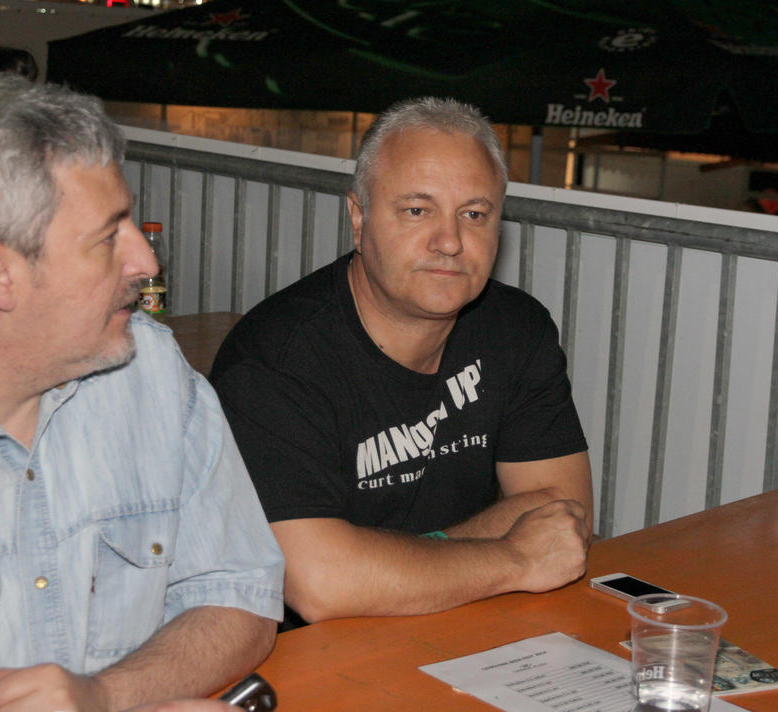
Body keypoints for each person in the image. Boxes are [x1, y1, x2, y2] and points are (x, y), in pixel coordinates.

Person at [0, 76, 285, 711]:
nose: (147, 263)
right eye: (109, 237)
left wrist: (106, 696)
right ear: (0, 274)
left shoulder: (148, 370)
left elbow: (239, 596)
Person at [211, 97, 592, 624]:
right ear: (358, 217)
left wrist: (394, 567)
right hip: (316, 653)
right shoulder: (274, 361)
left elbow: (563, 517)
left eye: (474, 214)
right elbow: (320, 585)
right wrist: (512, 557)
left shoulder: (517, 328)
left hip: (469, 620)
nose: (450, 242)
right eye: (417, 210)